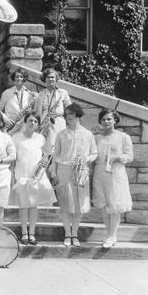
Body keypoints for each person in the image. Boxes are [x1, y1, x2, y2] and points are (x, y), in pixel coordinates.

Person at [50, 103, 98, 247]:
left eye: (71, 116)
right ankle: (67, 234)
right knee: (64, 204)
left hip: (81, 172)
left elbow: (94, 153)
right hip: (63, 170)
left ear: (78, 116)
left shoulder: (88, 134)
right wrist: (53, 172)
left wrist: (86, 159)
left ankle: (75, 234)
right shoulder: (61, 134)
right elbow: (55, 155)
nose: (68, 119)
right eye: (66, 116)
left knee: (78, 204)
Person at [11, 112, 56, 245]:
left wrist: (44, 163)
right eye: (30, 120)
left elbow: (47, 154)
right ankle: (24, 233)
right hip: (21, 174)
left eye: (36, 121)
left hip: (35, 175)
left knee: (33, 205)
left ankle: (32, 233)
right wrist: (12, 175)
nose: (33, 123)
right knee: (23, 205)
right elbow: (14, 157)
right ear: (25, 121)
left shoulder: (41, 138)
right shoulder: (16, 137)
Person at [93, 108, 134, 248]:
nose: (106, 121)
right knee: (104, 205)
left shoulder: (123, 137)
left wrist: (118, 157)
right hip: (100, 172)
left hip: (116, 173)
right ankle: (109, 234)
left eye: (109, 119)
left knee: (114, 205)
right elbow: (93, 154)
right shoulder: (97, 138)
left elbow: (130, 156)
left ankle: (112, 236)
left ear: (115, 120)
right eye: (103, 119)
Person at [34, 68, 72, 146]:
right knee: (45, 147)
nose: (50, 79)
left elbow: (71, 110)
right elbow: (37, 112)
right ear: (45, 79)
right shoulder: (40, 95)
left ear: (56, 79)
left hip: (58, 123)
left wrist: (60, 114)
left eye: (52, 77)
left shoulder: (63, 93)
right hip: (44, 124)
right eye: (48, 77)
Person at [0, 68, 37, 134]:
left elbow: (32, 112)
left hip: (23, 127)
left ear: (24, 79)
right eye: (17, 76)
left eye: (21, 77)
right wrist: (5, 119)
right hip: (10, 127)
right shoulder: (6, 93)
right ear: (14, 78)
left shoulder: (29, 94)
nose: (19, 78)